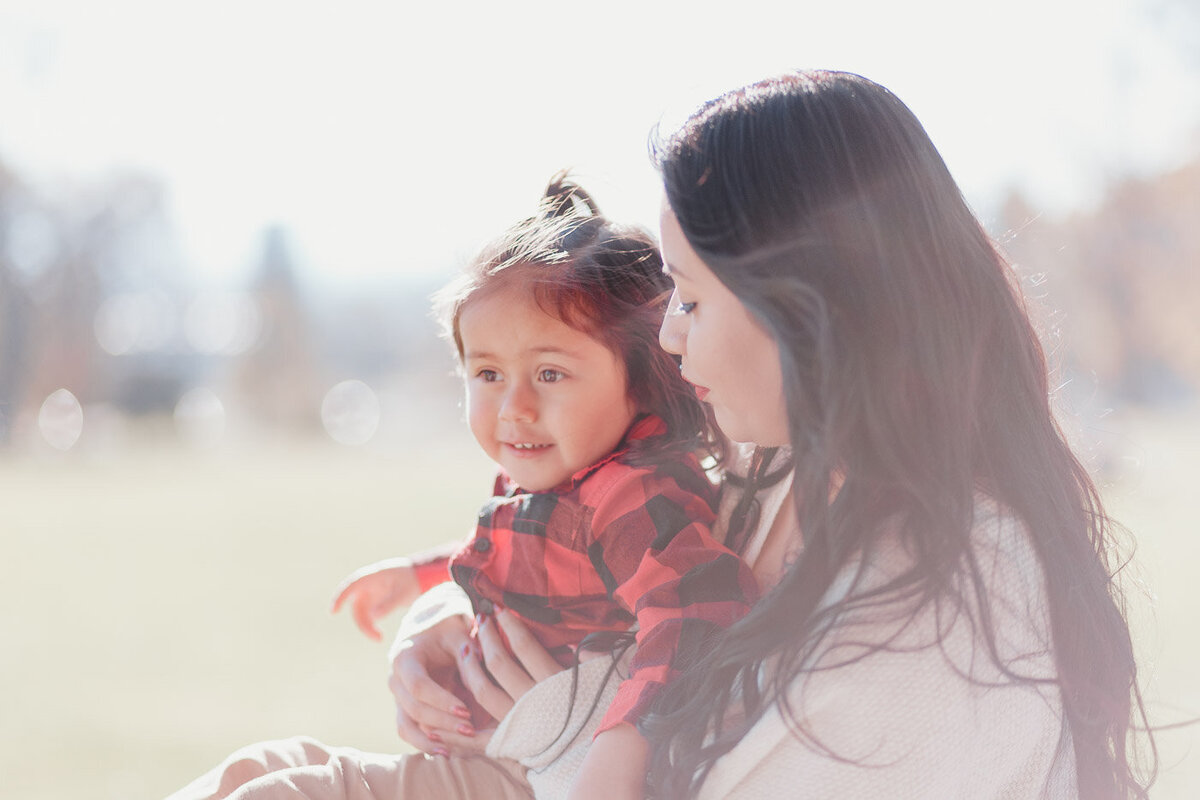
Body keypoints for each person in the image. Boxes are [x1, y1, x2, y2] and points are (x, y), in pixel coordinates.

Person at [390, 71, 1153, 799]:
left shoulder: (942, 594)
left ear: (805, 305)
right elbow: (602, 566)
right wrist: (441, 628)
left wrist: (554, 735)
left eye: (687, 299)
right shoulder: (773, 472)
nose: (667, 341)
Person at [166, 174, 757, 800]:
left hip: (531, 774)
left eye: (550, 373)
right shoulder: (573, 481)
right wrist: (423, 575)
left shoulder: (632, 493)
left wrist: (616, 761)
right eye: (489, 373)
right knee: (258, 768)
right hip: (500, 756)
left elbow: (696, 615)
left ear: (642, 379)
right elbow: (537, 559)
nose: (514, 407)